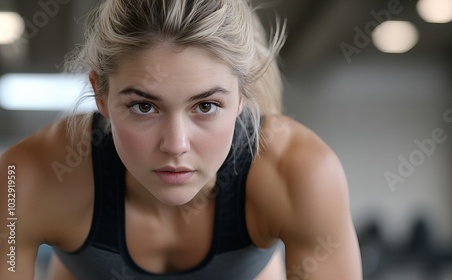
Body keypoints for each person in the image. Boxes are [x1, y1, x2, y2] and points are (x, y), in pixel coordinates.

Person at [0, 0, 362, 279]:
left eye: (205, 105)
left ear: (242, 97)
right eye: (144, 106)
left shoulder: (301, 172)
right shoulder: (26, 177)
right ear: (101, 96)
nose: (175, 145)